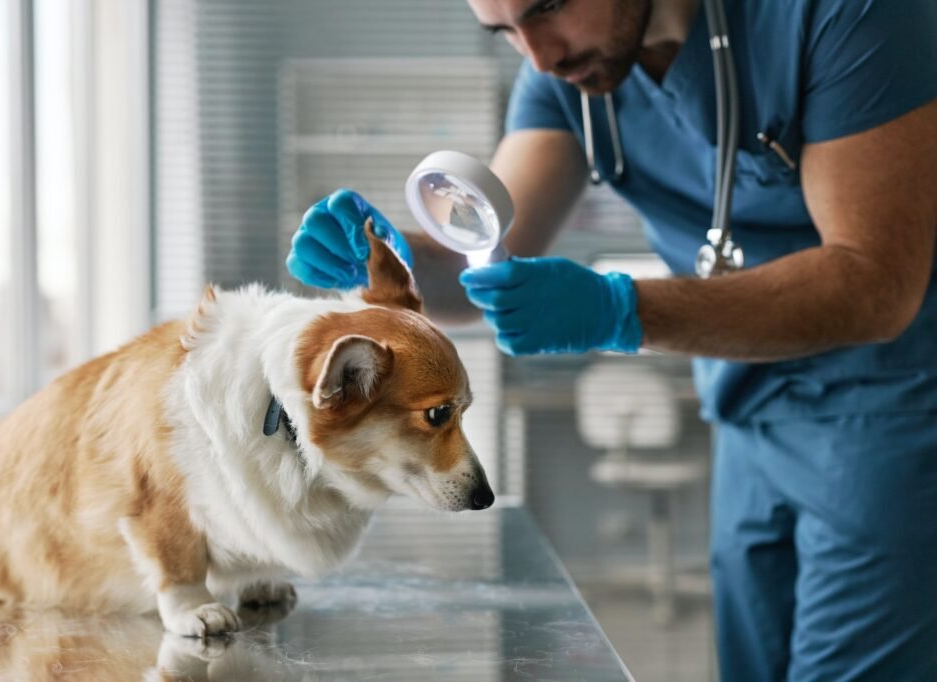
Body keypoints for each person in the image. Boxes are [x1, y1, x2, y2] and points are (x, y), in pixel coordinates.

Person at [285, 0, 937, 679]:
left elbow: (875, 283)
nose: (539, 55)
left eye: (547, 7)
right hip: (748, 412)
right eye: (504, 32)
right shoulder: (571, 74)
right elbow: (481, 261)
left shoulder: (843, 15)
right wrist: (380, 257)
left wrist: (618, 308)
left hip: (896, 411)